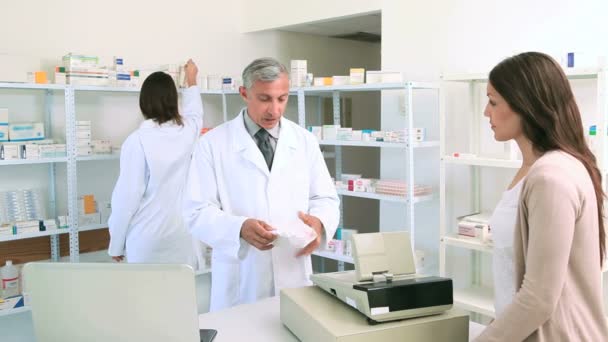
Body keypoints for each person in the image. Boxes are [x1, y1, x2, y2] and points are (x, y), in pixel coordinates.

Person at [183, 57, 340, 311]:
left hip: (293, 273)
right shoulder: (212, 144)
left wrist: (320, 222)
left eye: (282, 98)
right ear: (244, 93)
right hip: (242, 278)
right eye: (265, 98)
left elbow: (326, 199)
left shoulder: (304, 141)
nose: (275, 110)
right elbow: (196, 210)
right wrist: (239, 228)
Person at [476, 52, 608, 341]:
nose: (486, 112)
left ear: (526, 105)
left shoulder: (551, 177)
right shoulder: (534, 168)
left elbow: (538, 299)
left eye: (494, 101)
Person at [108, 59, 203, 266]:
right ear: (173, 100)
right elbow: (196, 112)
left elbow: (127, 199)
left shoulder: (137, 141)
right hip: (183, 236)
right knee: (182, 295)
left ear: (143, 101)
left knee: (145, 297)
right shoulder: (188, 132)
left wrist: (116, 243)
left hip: (147, 238)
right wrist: (191, 79)